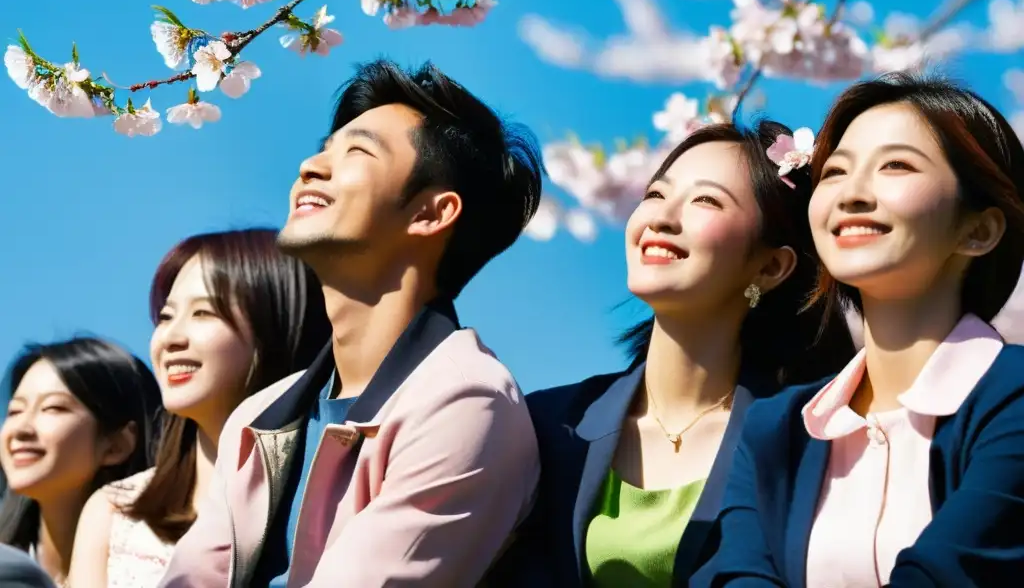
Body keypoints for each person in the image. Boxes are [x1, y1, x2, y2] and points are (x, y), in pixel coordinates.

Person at [159, 59, 544, 587]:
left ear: (431, 214)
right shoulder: (260, 417)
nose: (310, 167)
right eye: (324, 147)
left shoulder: (465, 404)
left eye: (356, 151)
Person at [693, 73, 1024, 587]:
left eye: (896, 165)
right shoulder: (775, 429)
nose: (851, 193)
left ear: (978, 230)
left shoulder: (1013, 397)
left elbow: (952, 573)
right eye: (835, 172)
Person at [490, 120, 855, 587]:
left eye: (706, 200)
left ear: (771, 266)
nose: (660, 218)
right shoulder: (547, 424)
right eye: (656, 195)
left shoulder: (805, 440)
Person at [67, 228, 332, 587]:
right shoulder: (115, 510)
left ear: (275, 328)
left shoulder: (326, 495)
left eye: (203, 313)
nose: (171, 339)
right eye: (165, 317)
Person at [0, 337, 161, 587]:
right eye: (14, 411)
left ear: (117, 445)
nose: (20, 429)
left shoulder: (157, 567)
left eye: (52, 408)